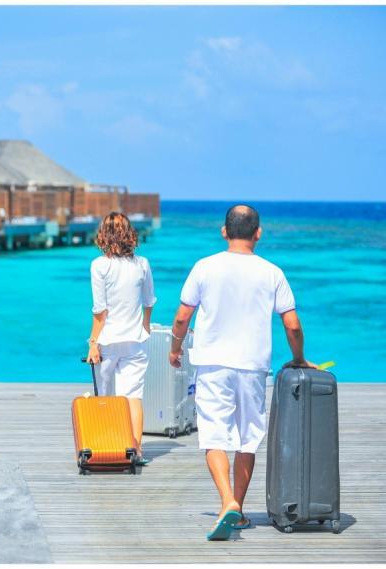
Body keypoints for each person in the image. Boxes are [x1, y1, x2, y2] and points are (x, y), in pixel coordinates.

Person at [169, 204, 316, 541]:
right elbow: (292, 325)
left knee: (213, 434)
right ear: (258, 233)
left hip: (212, 363)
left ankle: (227, 503)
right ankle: (236, 508)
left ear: (224, 231)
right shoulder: (272, 272)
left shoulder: (204, 267)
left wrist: (175, 348)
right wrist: (299, 358)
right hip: (252, 366)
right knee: (247, 436)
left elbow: (181, 317)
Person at [86, 212, 156, 465]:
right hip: (135, 340)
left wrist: (93, 342)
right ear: (130, 234)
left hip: (107, 341)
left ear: (103, 234)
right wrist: (145, 326)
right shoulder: (142, 264)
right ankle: (135, 450)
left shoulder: (99, 265)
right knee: (133, 397)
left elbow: (100, 311)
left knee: (104, 398)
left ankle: (106, 446)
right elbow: (149, 301)